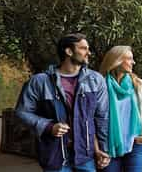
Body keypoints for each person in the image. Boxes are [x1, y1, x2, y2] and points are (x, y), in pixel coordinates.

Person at [15, 33, 111, 171]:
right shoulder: (40, 81)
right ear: (69, 51)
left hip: (86, 156)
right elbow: (22, 112)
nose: (88, 52)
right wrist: (48, 127)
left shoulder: (96, 80)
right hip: (54, 155)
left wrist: (102, 149)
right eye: (84, 48)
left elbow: (102, 118)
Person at [98, 46, 142, 172]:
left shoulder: (137, 84)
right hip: (110, 145)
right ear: (116, 61)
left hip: (135, 143)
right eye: (129, 59)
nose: (133, 62)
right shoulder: (101, 85)